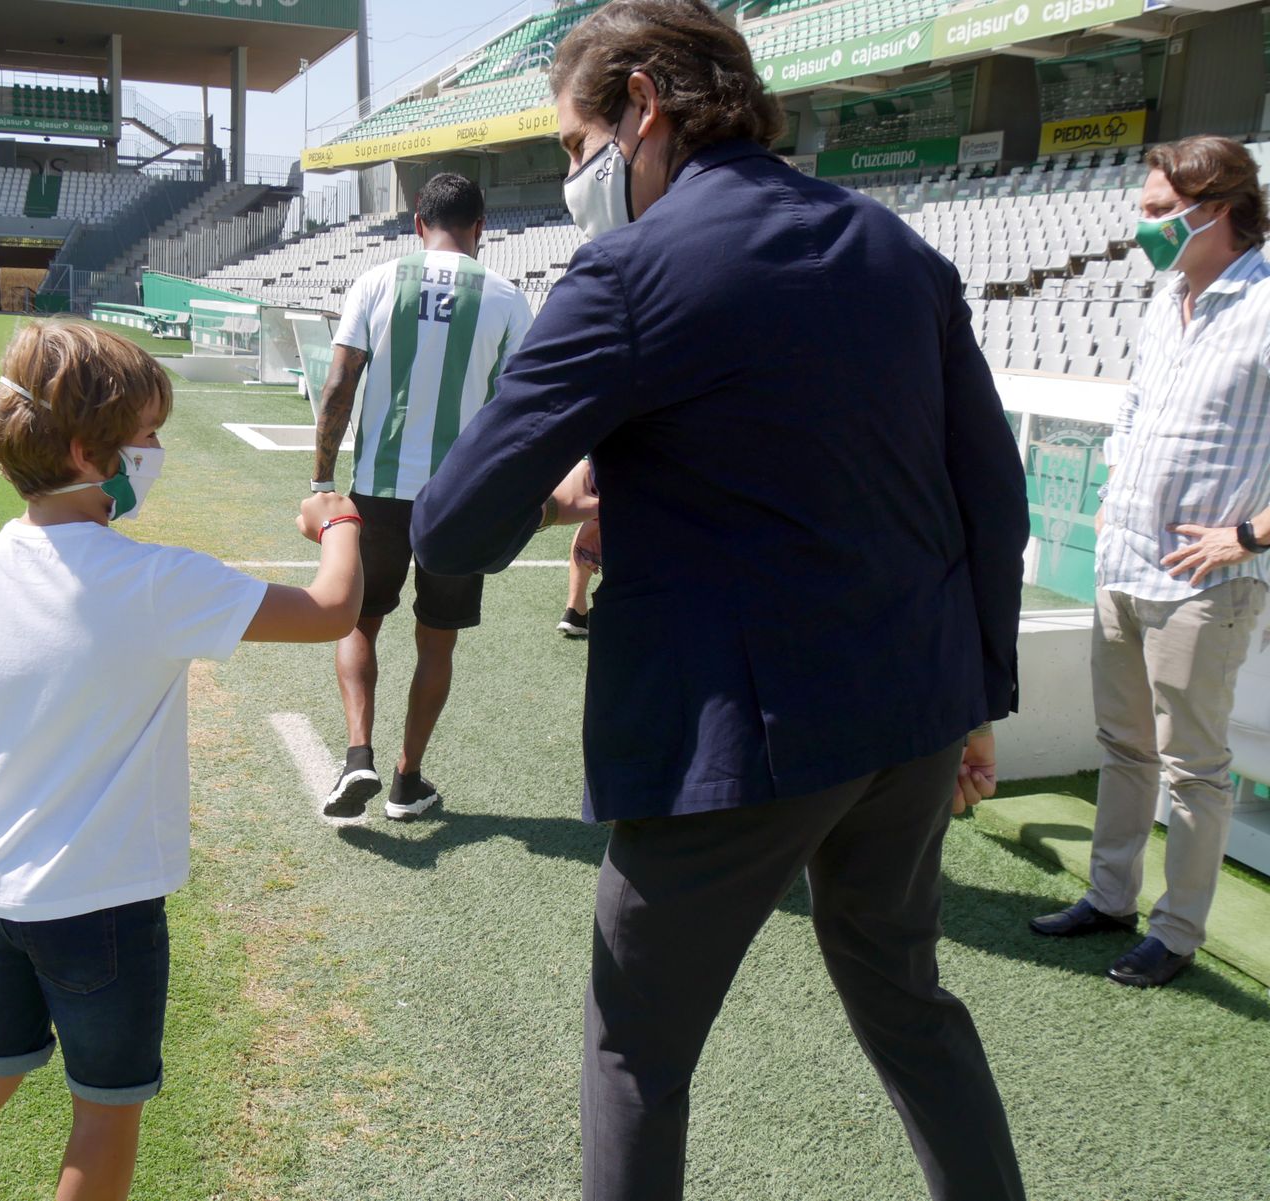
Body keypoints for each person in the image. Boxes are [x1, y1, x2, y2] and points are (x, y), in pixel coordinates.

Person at [410, 3, 1030, 1198]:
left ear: (642, 104)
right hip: (906, 715)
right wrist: (975, 699)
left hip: (734, 739)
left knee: (635, 1046)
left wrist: (557, 498)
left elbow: (453, 521)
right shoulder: (897, 249)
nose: (577, 177)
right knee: (908, 1004)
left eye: (576, 145)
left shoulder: (631, 268)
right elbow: (989, 500)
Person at [0, 321, 363, 1201]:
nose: (156, 452)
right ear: (83, 450)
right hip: (103, 905)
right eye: (146, 437)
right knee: (105, 1108)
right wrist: (339, 519)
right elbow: (333, 609)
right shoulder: (153, 583)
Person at [1030, 136, 1270, 989]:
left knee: (1194, 769)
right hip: (1123, 562)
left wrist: (1247, 537)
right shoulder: (1164, 295)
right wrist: (1114, 494)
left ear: (1220, 207)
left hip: (1206, 583)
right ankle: (1110, 897)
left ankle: (1176, 931)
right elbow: (1134, 409)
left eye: (1161, 212)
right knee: (1122, 745)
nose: (1146, 227)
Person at [312, 172, 534, 821]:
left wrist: (323, 483)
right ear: (480, 227)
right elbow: (518, 409)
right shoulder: (506, 296)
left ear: (417, 222)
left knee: (360, 619)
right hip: (459, 496)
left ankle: (359, 756)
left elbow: (337, 388)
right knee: (437, 641)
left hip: (379, 487)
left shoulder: (377, 281)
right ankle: (408, 782)